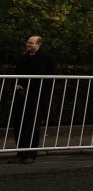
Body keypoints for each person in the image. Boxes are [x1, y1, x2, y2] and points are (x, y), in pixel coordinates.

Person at [12, 35, 56, 164]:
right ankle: (21, 153)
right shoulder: (23, 58)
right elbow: (16, 74)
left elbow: (48, 78)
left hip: (36, 96)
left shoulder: (47, 58)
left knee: (32, 125)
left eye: (31, 43)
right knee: (19, 124)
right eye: (27, 42)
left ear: (38, 44)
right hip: (22, 95)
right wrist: (17, 85)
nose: (28, 44)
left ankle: (31, 154)